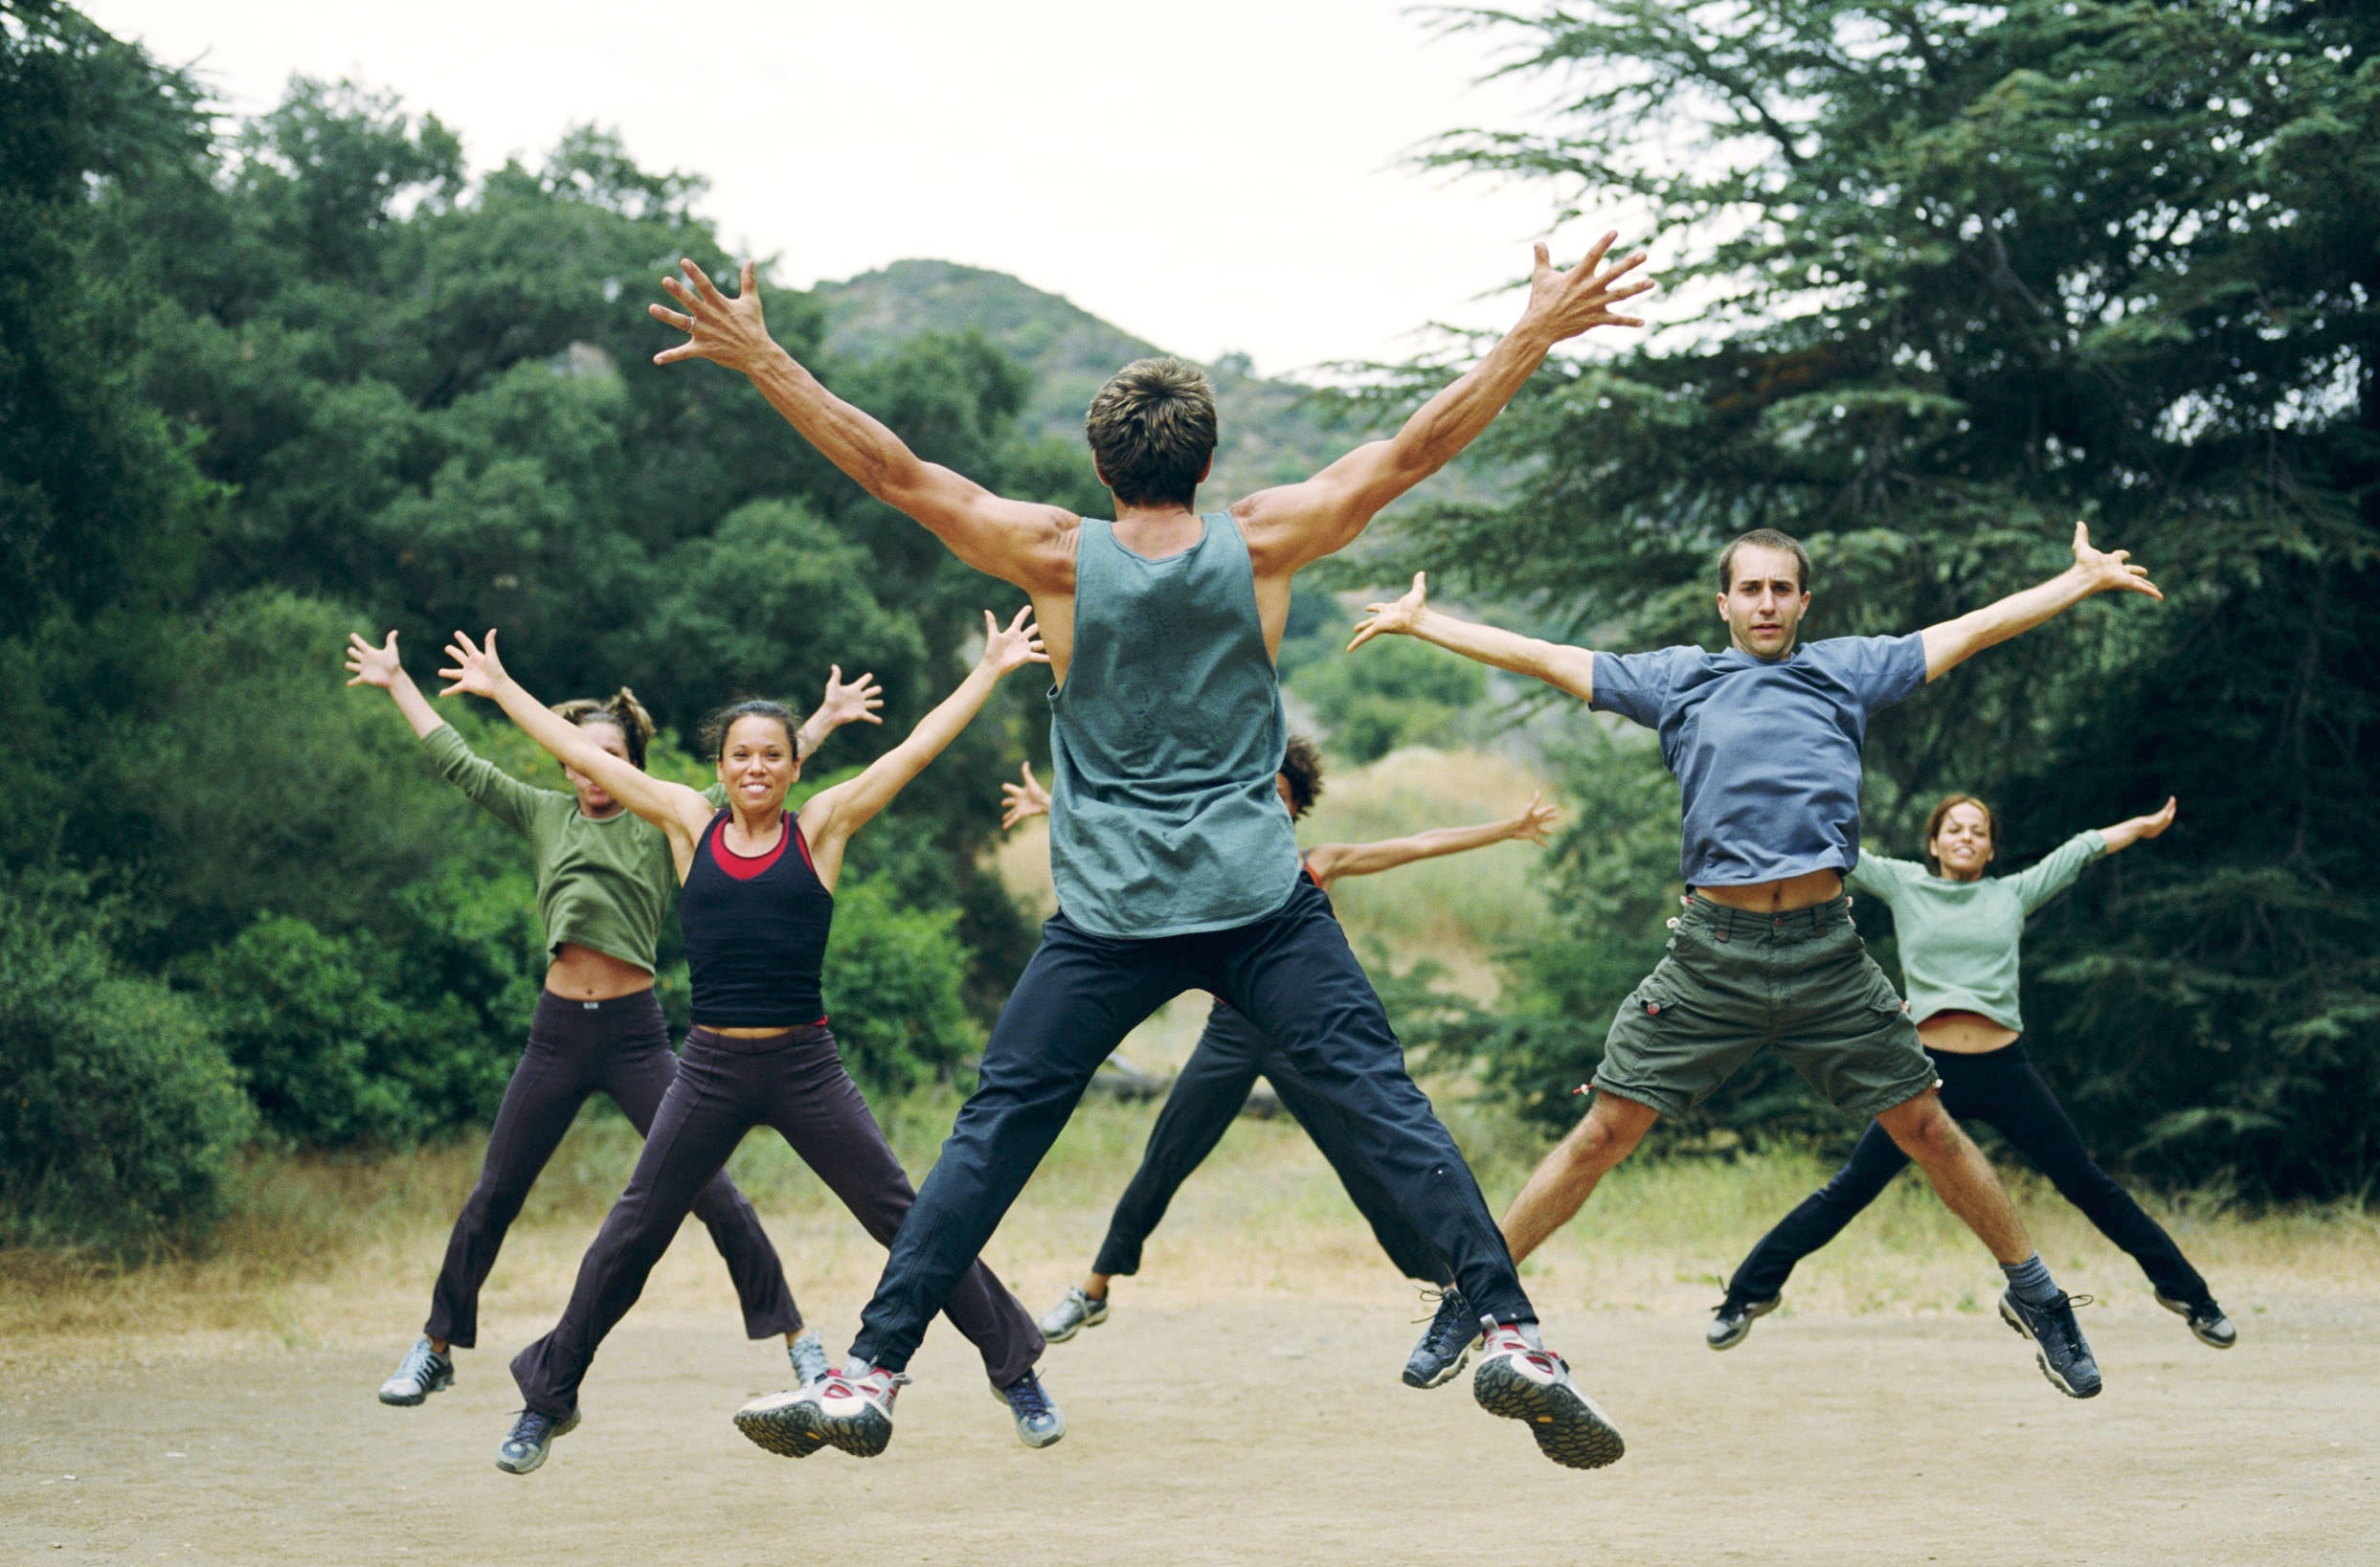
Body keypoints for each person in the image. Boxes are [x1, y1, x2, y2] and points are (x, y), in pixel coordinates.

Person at [649, 235, 1652, 1467]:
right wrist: (1531, 335)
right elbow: (1416, 449)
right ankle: (1510, 1334)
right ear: (1209, 459)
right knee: (1383, 1101)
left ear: (1099, 463)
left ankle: (870, 1372)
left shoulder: (1056, 556)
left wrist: (765, 360)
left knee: (993, 1131)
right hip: (1257, 899)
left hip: (1111, 914)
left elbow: (898, 474)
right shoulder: (1267, 539)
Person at [1346, 524, 2167, 1399]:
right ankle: (1475, 1298)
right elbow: (1546, 656)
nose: (1767, 603)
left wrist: (2075, 584)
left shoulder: (1846, 670)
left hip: (1827, 956)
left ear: (1804, 604)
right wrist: (1425, 623)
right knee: (1606, 1133)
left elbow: (1969, 630)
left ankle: (2038, 1299)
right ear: (1725, 603)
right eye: (1752, 589)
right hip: (1711, 958)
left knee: (1927, 1127)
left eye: (1783, 590)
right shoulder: (1680, 681)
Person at [431, 613, 1063, 1473]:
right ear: (720, 767)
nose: (756, 767)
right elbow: (591, 759)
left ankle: (1015, 1370)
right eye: (741, 754)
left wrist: (989, 669)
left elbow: (913, 751)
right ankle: (547, 1400)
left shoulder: (824, 827)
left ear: (796, 764)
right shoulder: (688, 823)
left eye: (772, 754)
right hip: (712, 1069)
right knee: (633, 1232)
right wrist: (503, 691)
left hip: (806, 1066)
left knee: (911, 1220)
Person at [345, 632, 881, 1410]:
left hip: (636, 1035)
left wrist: (823, 721)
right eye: (585, 755)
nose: (600, 770)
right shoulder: (540, 814)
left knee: (716, 1194)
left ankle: (798, 1341)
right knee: (496, 1190)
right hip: (557, 1033)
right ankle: (435, 1346)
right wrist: (399, 683)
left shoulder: (667, 819)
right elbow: (456, 760)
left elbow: (755, 774)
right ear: (568, 763)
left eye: (615, 757)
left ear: (632, 765)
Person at [1005, 743, 1562, 1389]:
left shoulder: (1315, 864)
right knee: (1166, 1156)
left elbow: (1419, 842)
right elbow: (1135, 827)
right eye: (1255, 789)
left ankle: (1463, 1293)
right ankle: (1094, 1289)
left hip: (1302, 1037)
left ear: (1296, 805)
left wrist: (1507, 828)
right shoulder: (1215, 859)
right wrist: (1053, 804)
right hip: (1230, 1034)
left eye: (1278, 791)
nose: (1265, 798)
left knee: (1370, 1167)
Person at [1710, 793, 2235, 1351]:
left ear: (1989, 850)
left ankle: (2192, 1299)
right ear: (1934, 844)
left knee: (2087, 1183)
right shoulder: (1905, 883)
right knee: (1850, 1189)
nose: (1966, 837)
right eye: (1954, 829)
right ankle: (1745, 1295)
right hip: (1926, 1076)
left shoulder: (2012, 892)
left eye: (1978, 831)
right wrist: (1760, 803)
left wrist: (2143, 825)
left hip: (2005, 1071)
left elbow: (2081, 849)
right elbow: (1832, 849)